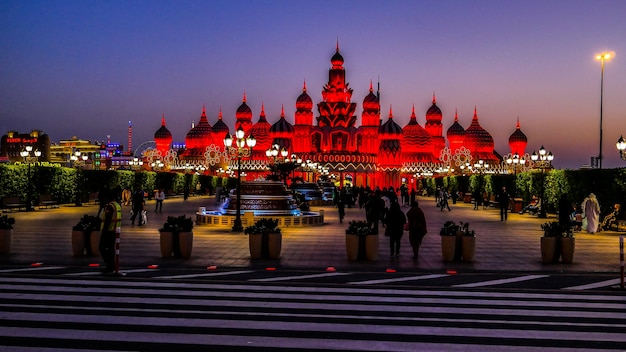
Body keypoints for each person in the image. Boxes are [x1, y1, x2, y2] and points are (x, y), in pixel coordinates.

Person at [99, 191, 121, 275]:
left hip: (108, 231)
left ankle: (109, 265)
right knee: (111, 249)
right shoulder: (117, 205)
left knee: (102, 248)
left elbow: (108, 220)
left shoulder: (110, 206)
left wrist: (104, 230)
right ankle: (112, 265)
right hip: (115, 230)